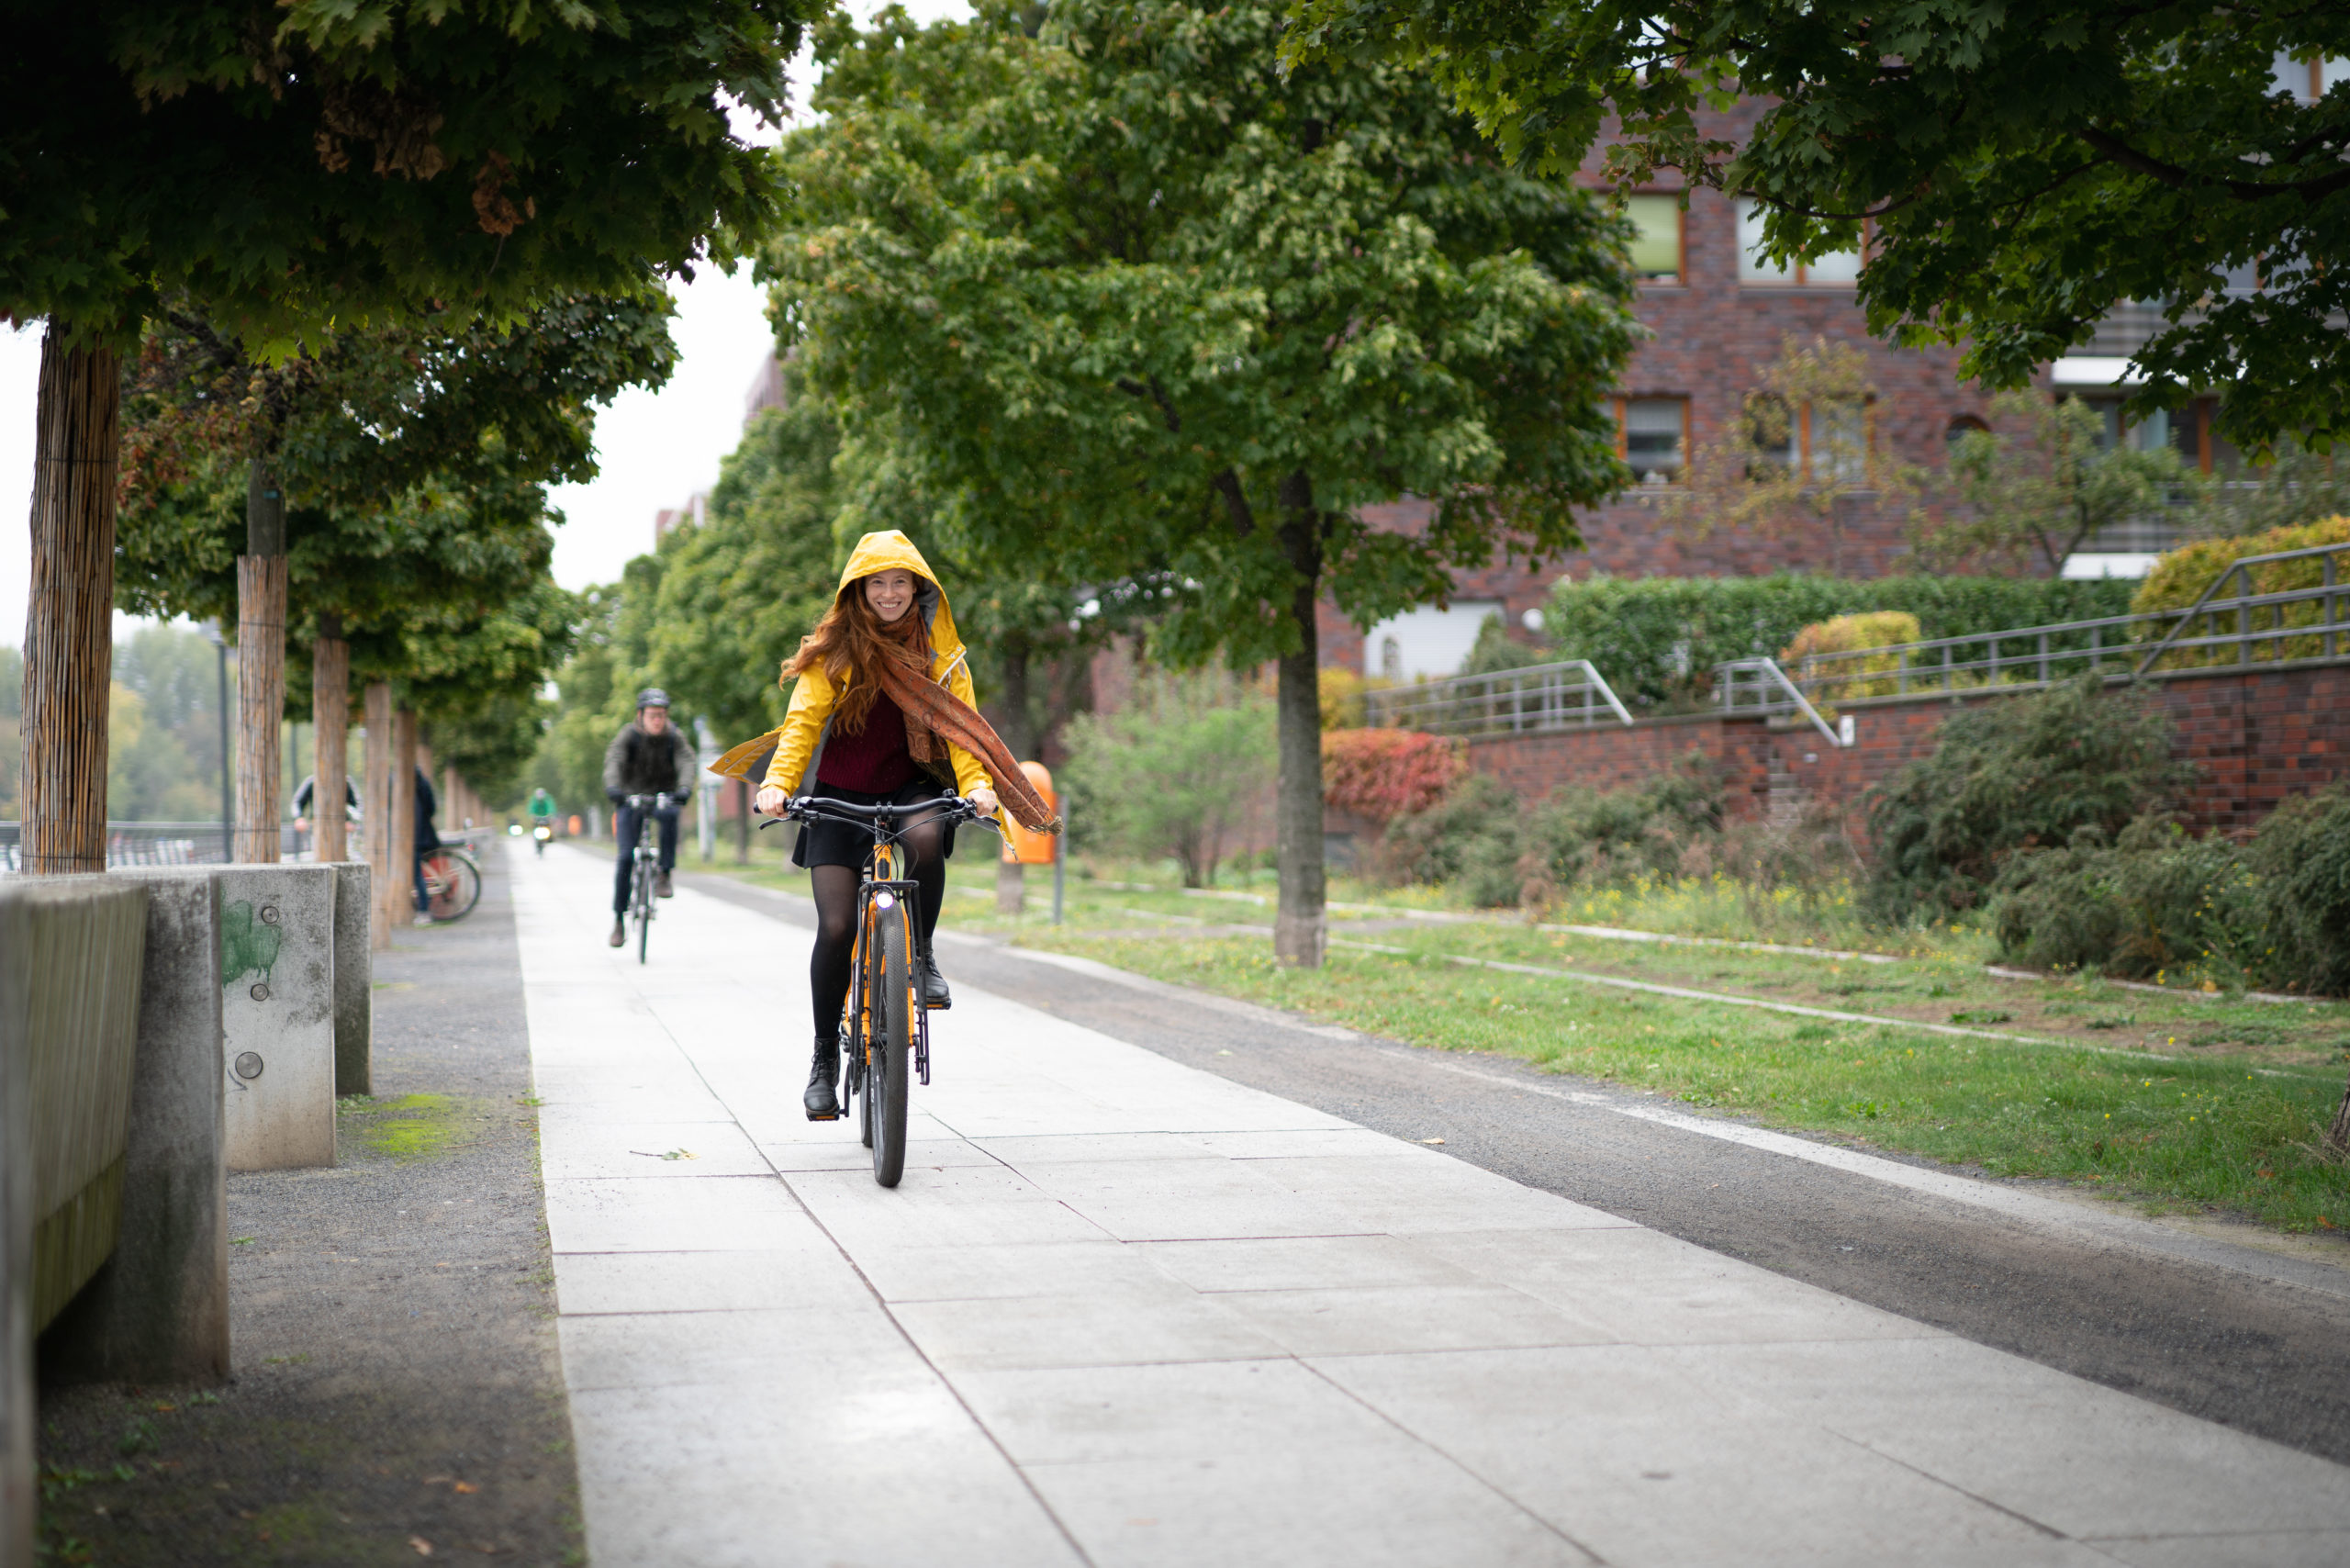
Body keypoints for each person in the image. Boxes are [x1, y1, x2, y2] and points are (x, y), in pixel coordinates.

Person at [744, 531, 1058, 1121]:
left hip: (911, 783)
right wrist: (779, 784)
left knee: (923, 838)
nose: (889, 594)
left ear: (919, 589)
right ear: (857, 591)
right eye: (877, 583)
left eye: (900, 582)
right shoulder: (835, 651)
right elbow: (803, 722)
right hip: (839, 793)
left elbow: (962, 731)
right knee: (836, 926)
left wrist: (978, 787)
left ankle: (921, 954)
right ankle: (823, 1062)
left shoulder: (943, 654)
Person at [603, 688, 698, 947]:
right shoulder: (628, 735)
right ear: (640, 715)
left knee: (669, 815)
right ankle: (619, 921)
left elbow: (687, 761)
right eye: (653, 715)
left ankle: (664, 874)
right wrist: (614, 789)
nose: (658, 720)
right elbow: (614, 759)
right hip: (630, 797)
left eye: (662, 715)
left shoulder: (673, 737)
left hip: (663, 796)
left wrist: (684, 789)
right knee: (624, 858)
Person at [411, 766, 440, 926]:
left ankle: (423, 909)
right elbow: (432, 808)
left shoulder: (398, 782)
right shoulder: (423, 782)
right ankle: (422, 908)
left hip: (413, 836)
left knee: (416, 875)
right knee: (418, 874)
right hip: (424, 834)